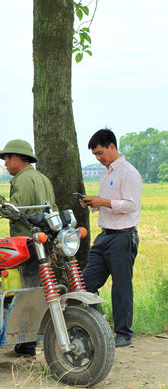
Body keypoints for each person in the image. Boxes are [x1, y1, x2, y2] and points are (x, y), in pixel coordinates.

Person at [0, 139, 57, 357]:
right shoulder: (43, 179)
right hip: (44, 242)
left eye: (7, 159)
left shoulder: (22, 180)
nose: (5, 164)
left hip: (27, 244)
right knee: (39, 290)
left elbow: (13, 210)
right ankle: (28, 341)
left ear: (17, 158)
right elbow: (53, 210)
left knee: (26, 291)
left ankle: (25, 344)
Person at [80, 129, 141, 348]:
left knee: (121, 286)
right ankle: (92, 329)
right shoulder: (106, 173)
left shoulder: (128, 172)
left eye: (100, 152)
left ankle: (123, 334)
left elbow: (132, 205)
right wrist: (92, 203)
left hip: (123, 236)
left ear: (112, 147)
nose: (98, 158)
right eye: (95, 154)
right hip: (104, 237)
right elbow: (107, 203)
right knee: (85, 283)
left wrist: (103, 202)